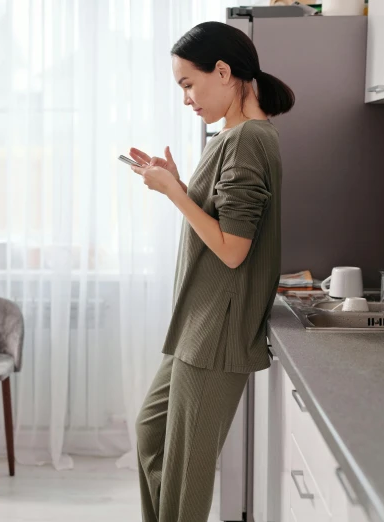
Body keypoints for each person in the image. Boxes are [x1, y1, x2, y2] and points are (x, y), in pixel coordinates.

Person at [129, 21, 295, 522]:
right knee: (151, 435)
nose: (186, 99)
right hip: (198, 326)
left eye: (187, 84)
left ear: (222, 72)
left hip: (217, 331)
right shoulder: (235, 137)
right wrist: (180, 183)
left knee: (187, 478)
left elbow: (232, 250)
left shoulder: (246, 141)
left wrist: (174, 193)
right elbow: (222, 218)